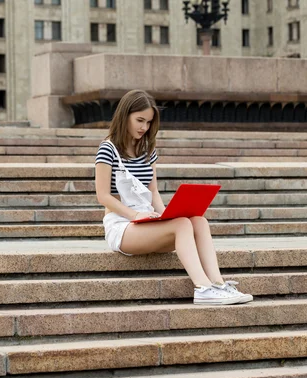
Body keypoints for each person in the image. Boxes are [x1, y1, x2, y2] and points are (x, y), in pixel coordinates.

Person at [95, 89, 253, 306]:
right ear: (125, 116)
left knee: (198, 221)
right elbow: (103, 196)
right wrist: (135, 215)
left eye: (149, 122)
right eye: (139, 120)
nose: (144, 127)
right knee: (181, 225)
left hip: (146, 220)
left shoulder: (148, 149)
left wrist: (164, 215)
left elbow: (153, 191)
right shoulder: (108, 149)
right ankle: (202, 288)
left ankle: (217, 284)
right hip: (122, 227)